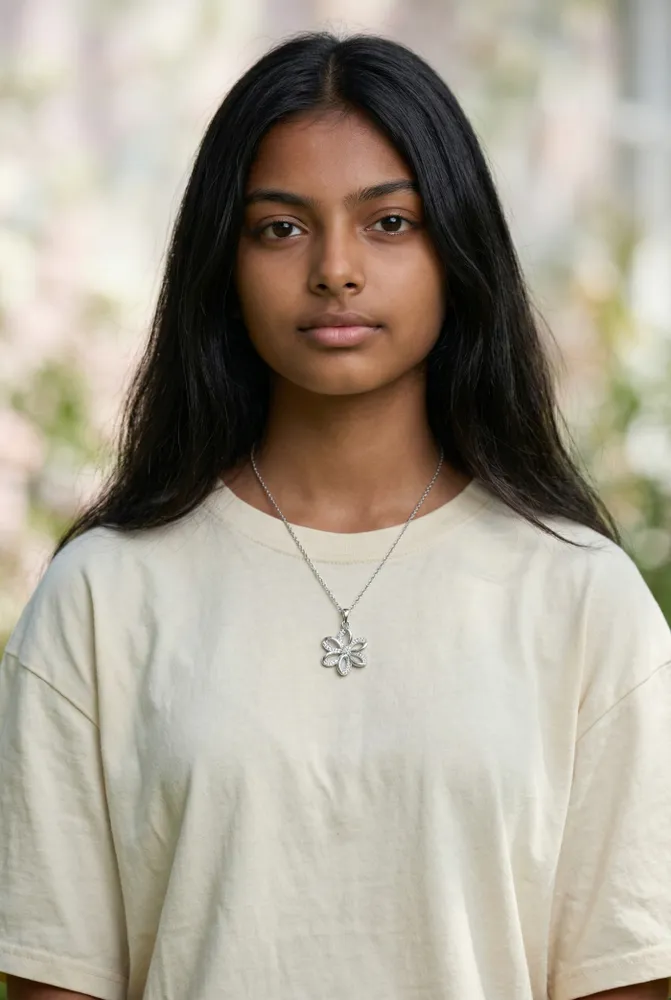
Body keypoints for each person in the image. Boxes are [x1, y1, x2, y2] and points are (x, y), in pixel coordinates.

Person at [0, 29, 669, 1000]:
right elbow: (54, 979)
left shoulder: (578, 596)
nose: (335, 270)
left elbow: (628, 975)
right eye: (280, 227)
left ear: (458, 245)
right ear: (220, 263)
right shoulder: (103, 593)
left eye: (388, 222)